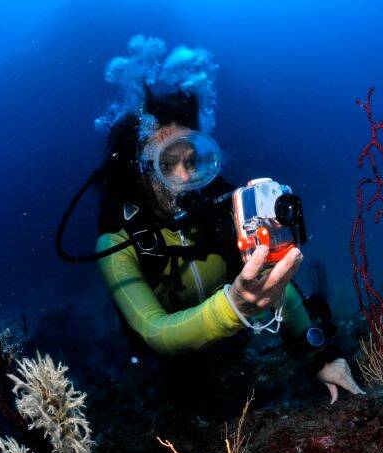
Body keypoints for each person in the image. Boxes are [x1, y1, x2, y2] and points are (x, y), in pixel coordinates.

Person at [91, 88, 364, 405]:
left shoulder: (222, 209)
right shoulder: (117, 240)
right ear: (140, 170)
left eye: (192, 161)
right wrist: (234, 307)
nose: (185, 176)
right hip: (171, 365)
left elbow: (277, 289)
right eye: (166, 165)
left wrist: (318, 356)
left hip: (233, 339)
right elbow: (155, 332)